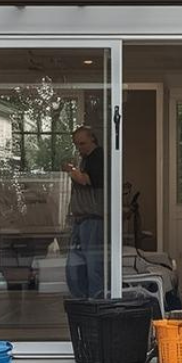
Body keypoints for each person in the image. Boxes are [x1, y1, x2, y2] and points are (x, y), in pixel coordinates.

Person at [63, 126, 106, 298]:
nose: (79, 148)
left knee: (93, 264)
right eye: (76, 144)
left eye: (82, 143)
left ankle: (95, 299)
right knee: (75, 264)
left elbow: (86, 180)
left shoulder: (97, 157)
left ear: (92, 140)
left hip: (92, 218)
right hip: (81, 218)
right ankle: (82, 298)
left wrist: (70, 170)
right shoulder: (86, 159)